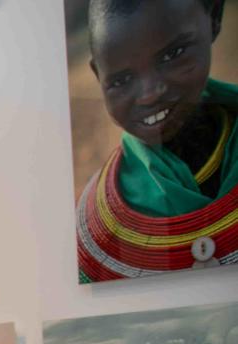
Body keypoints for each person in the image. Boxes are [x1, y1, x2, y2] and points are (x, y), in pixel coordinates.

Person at [76, 0, 236, 281]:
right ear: (98, 73)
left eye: (173, 54)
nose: (149, 94)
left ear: (213, 16)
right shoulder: (97, 226)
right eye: (121, 80)